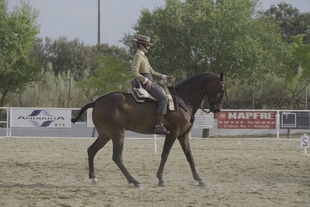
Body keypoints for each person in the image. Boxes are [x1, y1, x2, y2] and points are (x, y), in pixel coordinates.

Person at [132, 35, 173, 135]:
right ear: (141, 45)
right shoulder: (138, 56)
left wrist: (165, 77)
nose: (149, 47)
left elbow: (152, 72)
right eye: (147, 45)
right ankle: (159, 125)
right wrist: (146, 80)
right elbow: (134, 72)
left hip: (149, 81)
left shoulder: (144, 57)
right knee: (163, 98)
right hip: (145, 83)